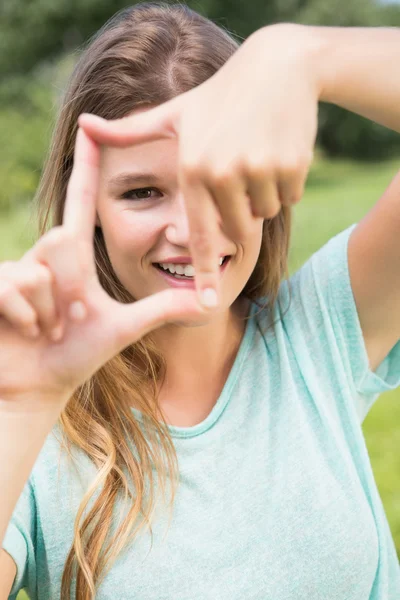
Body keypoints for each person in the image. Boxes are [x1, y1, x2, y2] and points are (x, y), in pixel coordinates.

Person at [1, 1, 400, 598]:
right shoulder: (35, 432)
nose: (190, 230)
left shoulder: (321, 331)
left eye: (218, 183)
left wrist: (302, 56)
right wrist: (23, 407)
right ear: (92, 213)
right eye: (142, 192)